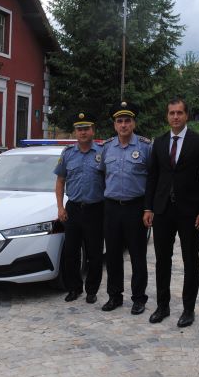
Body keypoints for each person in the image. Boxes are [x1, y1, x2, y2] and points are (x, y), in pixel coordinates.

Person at [143, 97, 199, 328]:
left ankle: (188, 309)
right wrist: (148, 207)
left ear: (186, 115)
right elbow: (152, 177)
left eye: (179, 113)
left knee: (190, 260)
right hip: (162, 210)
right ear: (167, 116)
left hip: (189, 211)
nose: (175, 117)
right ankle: (162, 306)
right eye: (171, 113)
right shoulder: (159, 142)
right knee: (162, 260)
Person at [99, 102, 152, 314]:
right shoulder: (107, 147)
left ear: (133, 123)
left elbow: (152, 179)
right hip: (112, 207)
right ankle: (114, 296)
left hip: (136, 208)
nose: (123, 125)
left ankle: (139, 298)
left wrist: (148, 208)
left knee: (138, 255)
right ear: (114, 125)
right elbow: (102, 175)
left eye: (127, 121)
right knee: (112, 254)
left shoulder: (145, 147)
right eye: (119, 121)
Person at [54, 112, 106, 304]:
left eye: (86, 129)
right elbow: (60, 181)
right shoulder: (68, 154)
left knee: (94, 253)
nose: (83, 132)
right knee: (71, 252)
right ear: (75, 132)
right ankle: (74, 288)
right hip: (74, 209)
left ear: (93, 131)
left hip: (95, 209)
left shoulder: (102, 153)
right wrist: (60, 207)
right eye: (79, 129)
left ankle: (92, 290)